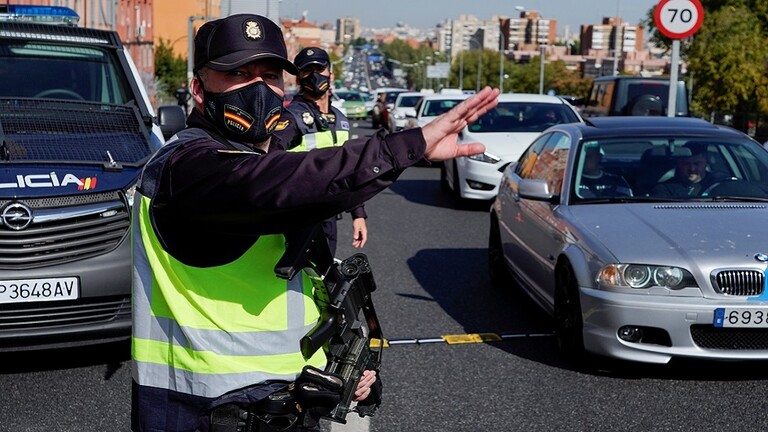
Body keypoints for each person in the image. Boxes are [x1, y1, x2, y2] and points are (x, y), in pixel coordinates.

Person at [130, 13, 499, 432]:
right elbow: (270, 185)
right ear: (198, 89)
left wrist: (342, 365)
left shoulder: (268, 153)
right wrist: (407, 146)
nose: (257, 88)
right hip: (203, 415)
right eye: (237, 74)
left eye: (270, 75)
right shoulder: (186, 168)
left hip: (284, 410)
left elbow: (295, 291)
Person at [273, 47, 367, 255]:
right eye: (307, 71)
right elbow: (270, 161)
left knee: (322, 279)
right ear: (298, 78)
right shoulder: (290, 117)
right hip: (299, 216)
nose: (315, 75)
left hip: (328, 215)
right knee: (298, 279)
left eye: (319, 68)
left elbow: (348, 168)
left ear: (330, 74)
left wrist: (358, 213)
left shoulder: (340, 119)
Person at [651, 143, 717, 197]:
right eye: (686, 164)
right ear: (679, 164)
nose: (692, 168)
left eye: (696, 164)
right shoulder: (665, 189)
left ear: (705, 163)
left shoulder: (719, 183)